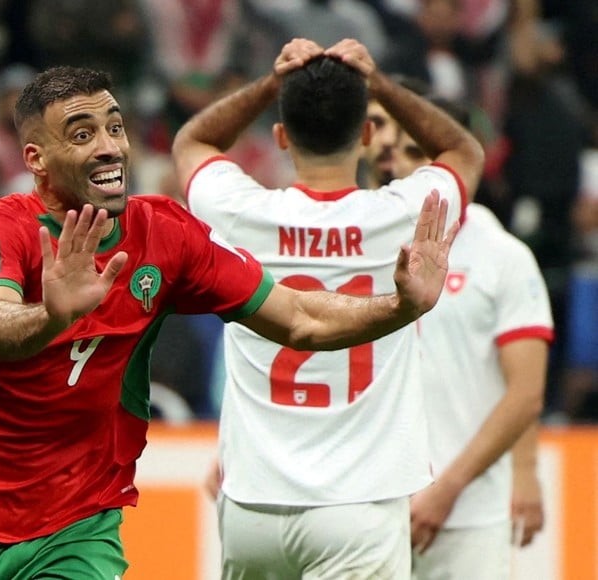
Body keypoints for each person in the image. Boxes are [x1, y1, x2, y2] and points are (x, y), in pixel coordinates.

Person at [0, 63, 460, 579]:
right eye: (82, 135)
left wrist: (399, 308)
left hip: (76, 518)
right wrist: (53, 313)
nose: (109, 148)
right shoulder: (1, 226)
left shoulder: (166, 234)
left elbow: (298, 316)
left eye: (115, 127)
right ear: (36, 159)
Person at [173, 38, 484, 578]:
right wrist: (378, 81)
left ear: (281, 137)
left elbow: (192, 141)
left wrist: (273, 82)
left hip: (252, 501)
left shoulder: (238, 210)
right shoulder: (403, 214)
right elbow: (464, 151)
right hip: (359, 502)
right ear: (366, 135)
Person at [391, 97, 554, 579]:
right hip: (377, 507)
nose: (412, 168)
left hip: (471, 513)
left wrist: (451, 488)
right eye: (403, 152)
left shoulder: (503, 257)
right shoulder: (370, 247)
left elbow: (525, 393)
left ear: (463, 161)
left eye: (426, 154)